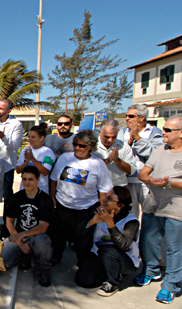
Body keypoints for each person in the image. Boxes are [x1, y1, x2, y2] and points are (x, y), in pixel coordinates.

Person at [136, 115, 182, 304]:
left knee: (176, 249)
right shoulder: (160, 150)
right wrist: (151, 181)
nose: (163, 132)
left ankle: (171, 285)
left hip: (178, 209)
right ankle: (151, 271)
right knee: (149, 241)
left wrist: (170, 183)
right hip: (153, 205)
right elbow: (144, 173)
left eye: (168, 130)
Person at [50, 130, 114, 264]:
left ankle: (82, 262)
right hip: (63, 204)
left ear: (90, 146)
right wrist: (53, 198)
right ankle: (56, 256)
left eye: (82, 146)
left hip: (86, 208)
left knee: (83, 237)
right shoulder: (64, 158)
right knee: (59, 235)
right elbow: (54, 179)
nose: (77, 148)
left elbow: (104, 190)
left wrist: (104, 210)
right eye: (75, 144)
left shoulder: (98, 164)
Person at [77, 187, 140, 296]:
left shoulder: (131, 221)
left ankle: (112, 283)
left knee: (107, 250)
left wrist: (110, 223)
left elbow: (124, 245)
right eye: (105, 196)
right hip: (99, 256)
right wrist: (92, 222)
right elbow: (78, 233)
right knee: (83, 280)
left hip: (125, 260)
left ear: (120, 205)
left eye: (109, 198)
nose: (104, 200)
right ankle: (106, 272)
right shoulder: (98, 212)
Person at [2, 166, 54, 287]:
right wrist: (20, 242)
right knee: (3, 260)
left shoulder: (45, 200)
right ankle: (26, 256)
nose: (27, 182)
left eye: (30, 179)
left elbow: (42, 227)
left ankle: (44, 269)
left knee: (41, 240)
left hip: (38, 236)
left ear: (38, 179)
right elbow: (9, 222)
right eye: (24, 179)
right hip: (20, 237)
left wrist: (22, 235)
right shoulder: (17, 197)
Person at [119, 104, 164, 216]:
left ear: (142, 118)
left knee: (150, 214)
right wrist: (129, 143)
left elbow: (155, 154)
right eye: (126, 115)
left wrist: (137, 138)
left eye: (131, 116)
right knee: (129, 215)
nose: (127, 118)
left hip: (147, 182)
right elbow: (118, 154)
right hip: (127, 181)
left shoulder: (155, 133)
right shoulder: (122, 132)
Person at [92, 119, 137, 187]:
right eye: (107, 137)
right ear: (99, 132)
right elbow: (84, 166)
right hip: (95, 188)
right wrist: (107, 161)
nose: (110, 140)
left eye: (114, 137)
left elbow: (131, 170)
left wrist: (117, 160)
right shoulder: (90, 146)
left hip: (118, 188)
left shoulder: (124, 147)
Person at [16, 123, 56, 194]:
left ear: (41, 138)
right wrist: (26, 162)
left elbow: (45, 172)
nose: (30, 139)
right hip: (25, 190)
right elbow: (18, 171)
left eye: (33, 137)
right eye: (29, 137)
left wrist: (32, 159)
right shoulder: (24, 151)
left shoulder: (48, 152)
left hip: (41, 190)